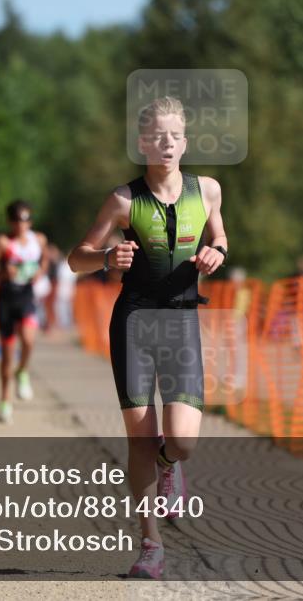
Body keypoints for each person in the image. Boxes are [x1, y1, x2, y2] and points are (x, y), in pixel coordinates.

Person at [68, 96, 228, 579]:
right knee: (139, 439)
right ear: (142, 142)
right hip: (135, 322)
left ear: (185, 141)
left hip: (180, 322)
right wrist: (106, 259)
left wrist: (216, 254)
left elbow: (219, 238)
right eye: (157, 136)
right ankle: (150, 544)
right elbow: (77, 258)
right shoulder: (123, 200)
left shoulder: (209, 191)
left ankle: (169, 465)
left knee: (181, 441)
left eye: (175, 135)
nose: (167, 143)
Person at [0, 201, 48, 424]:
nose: (23, 225)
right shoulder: (4, 243)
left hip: (26, 297)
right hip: (6, 301)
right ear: (10, 222)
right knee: (7, 354)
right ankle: (4, 401)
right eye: (18, 221)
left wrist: (39, 272)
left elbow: (44, 261)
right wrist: (3, 271)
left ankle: (22, 371)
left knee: (29, 340)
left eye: (26, 220)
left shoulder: (38, 240)